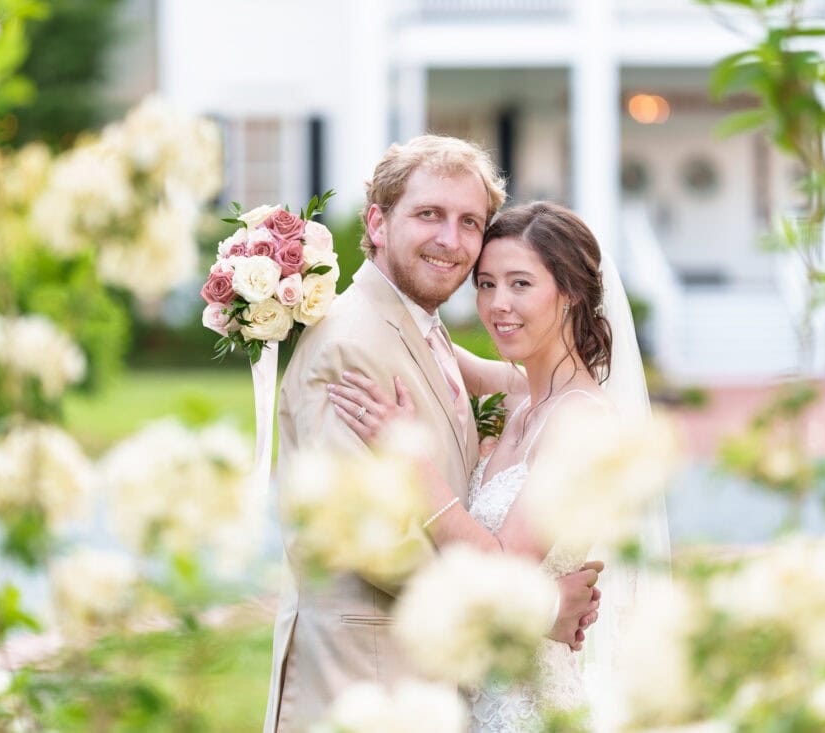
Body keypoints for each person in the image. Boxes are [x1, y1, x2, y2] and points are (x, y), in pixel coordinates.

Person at [264, 138, 604, 733]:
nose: (451, 240)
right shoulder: (351, 343)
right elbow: (372, 541)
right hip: (363, 683)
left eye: (469, 221)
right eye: (429, 215)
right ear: (377, 221)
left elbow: (542, 384)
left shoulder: (427, 333)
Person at [329, 201, 665, 731]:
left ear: (571, 293)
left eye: (520, 284)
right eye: (485, 284)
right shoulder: (526, 398)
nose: (497, 305)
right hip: (474, 691)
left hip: (525, 707)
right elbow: (421, 338)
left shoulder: (583, 425)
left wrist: (410, 457)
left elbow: (506, 565)